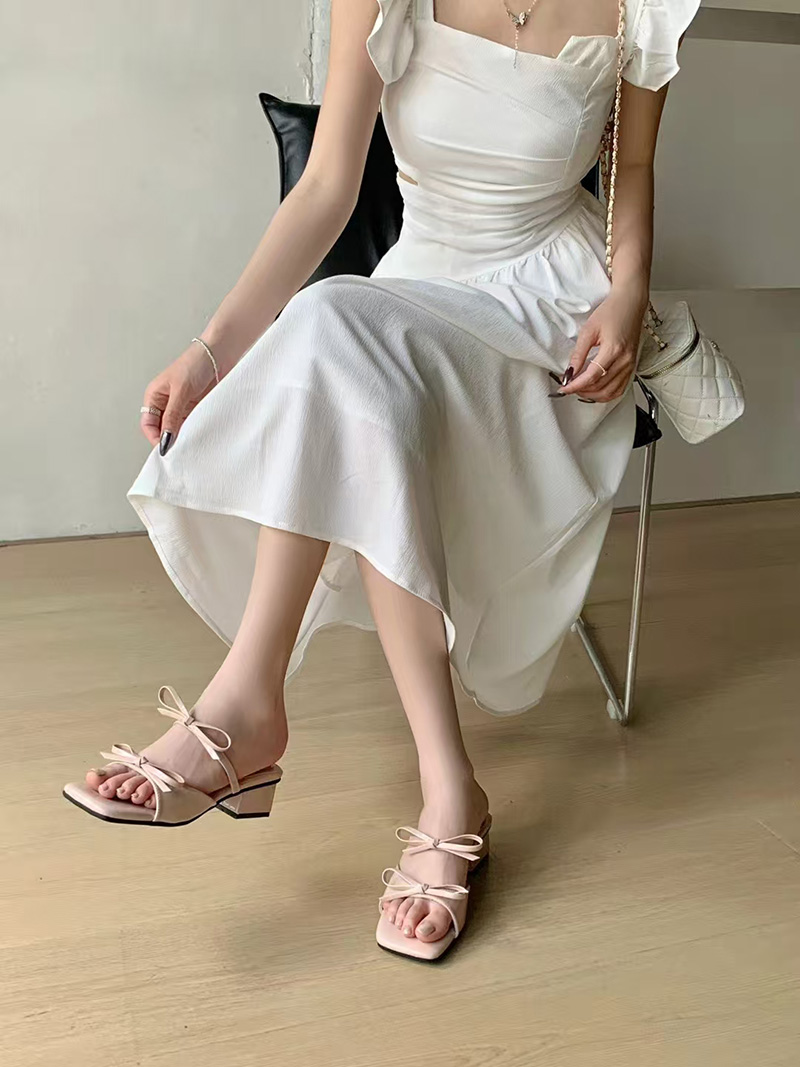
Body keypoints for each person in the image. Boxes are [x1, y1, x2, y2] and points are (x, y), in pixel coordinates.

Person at [63, 0, 702, 960]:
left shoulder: (639, 4)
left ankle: (252, 709)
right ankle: (443, 786)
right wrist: (209, 352)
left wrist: (629, 292)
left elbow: (634, 169)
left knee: (344, 343)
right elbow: (327, 186)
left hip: (547, 312)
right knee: (352, 356)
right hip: (415, 291)